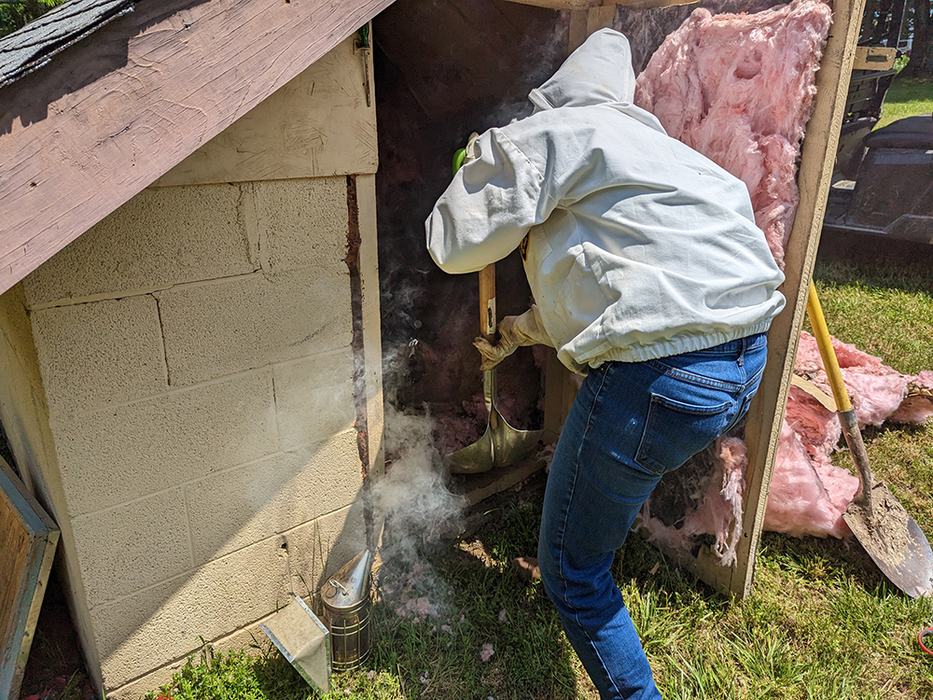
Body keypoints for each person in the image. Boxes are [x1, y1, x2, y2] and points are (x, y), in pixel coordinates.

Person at [425, 28, 785, 700]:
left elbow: (453, 245)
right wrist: (519, 330)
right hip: (740, 367)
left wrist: (477, 165)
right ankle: (605, 512)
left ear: (551, 99)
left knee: (570, 569)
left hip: (658, 385)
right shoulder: (672, 159)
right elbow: (631, 281)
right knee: (613, 487)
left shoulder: (551, 134)